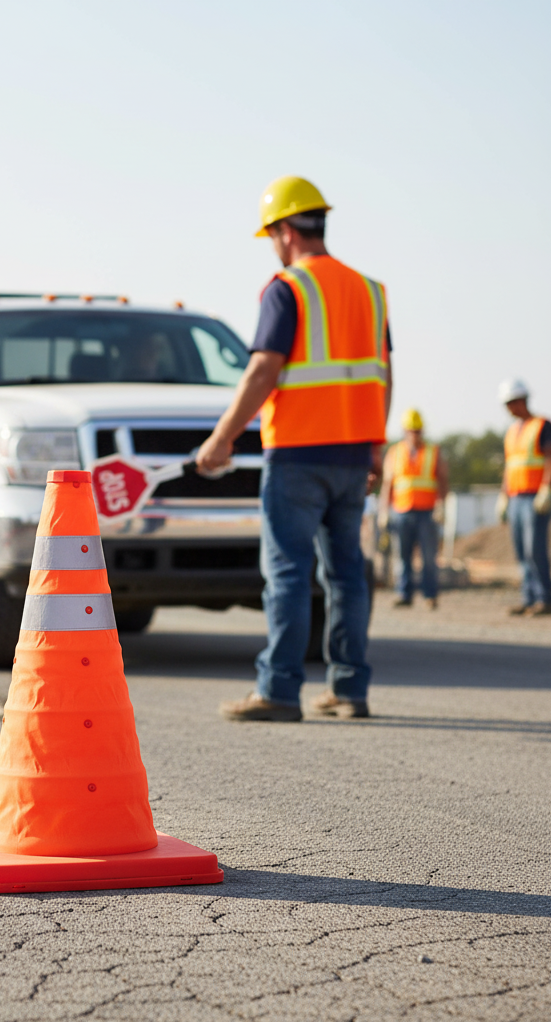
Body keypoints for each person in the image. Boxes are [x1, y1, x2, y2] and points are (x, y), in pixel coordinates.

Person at [197, 176, 392, 722]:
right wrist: (376, 444)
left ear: (285, 231)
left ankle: (279, 692)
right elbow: (384, 375)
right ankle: (349, 690)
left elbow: (263, 368)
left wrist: (223, 436)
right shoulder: (371, 291)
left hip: (299, 454)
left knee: (287, 572)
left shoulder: (288, 287)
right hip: (354, 454)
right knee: (347, 574)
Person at [379, 408, 449, 609]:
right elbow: (387, 484)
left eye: (417, 430)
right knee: (402, 556)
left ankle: (430, 594)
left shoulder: (433, 451)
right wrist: (384, 510)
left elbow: (443, 479)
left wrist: (441, 504)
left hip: (427, 512)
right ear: (404, 431)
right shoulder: (394, 452)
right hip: (401, 511)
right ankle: (404, 593)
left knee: (429, 557)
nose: (415, 434)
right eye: (411, 430)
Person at [495, 379, 551, 616]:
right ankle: (529, 597)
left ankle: (544, 599)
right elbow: (511, 466)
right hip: (516, 498)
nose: (509, 409)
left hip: (535, 497)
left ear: (521, 400)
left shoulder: (543, 426)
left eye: (511, 403)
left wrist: (546, 488)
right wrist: (503, 496)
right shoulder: (512, 432)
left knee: (535, 549)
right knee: (521, 550)